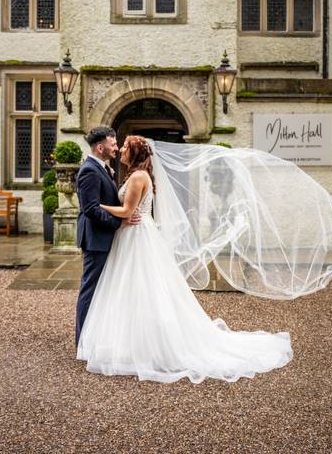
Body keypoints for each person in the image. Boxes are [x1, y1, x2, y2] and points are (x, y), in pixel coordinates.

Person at [76, 135, 293, 383]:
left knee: (140, 288)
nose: (120, 150)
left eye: (125, 147)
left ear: (134, 154)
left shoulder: (137, 177)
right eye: (119, 145)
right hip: (131, 235)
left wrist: (97, 207)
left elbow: (127, 212)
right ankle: (129, 340)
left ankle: (148, 345)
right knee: (131, 289)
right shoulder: (134, 175)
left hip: (137, 236)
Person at [73, 126, 140, 346]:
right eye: (112, 145)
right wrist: (118, 222)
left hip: (104, 236)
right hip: (96, 238)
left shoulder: (102, 168)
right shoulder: (89, 171)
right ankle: (82, 340)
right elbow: (90, 209)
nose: (116, 149)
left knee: (103, 288)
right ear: (100, 147)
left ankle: (97, 335)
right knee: (90, 289)